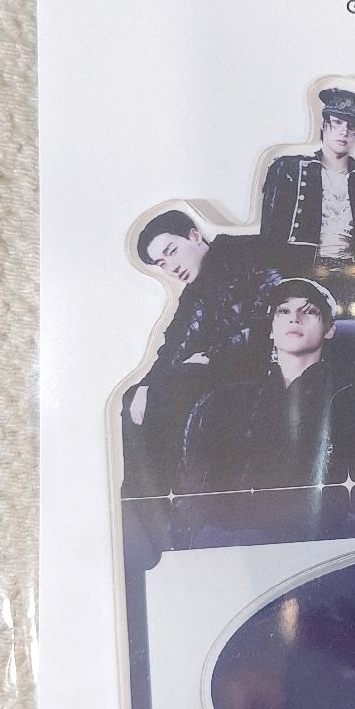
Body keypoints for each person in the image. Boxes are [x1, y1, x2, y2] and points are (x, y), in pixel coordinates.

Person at [180, 279, 355, 533]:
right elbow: (197, 495)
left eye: (308, 311)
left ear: (330, 329)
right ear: (271, 329)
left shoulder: (352, 402)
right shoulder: (225, 402)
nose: (294, 318)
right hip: (237, 543)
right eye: (284, 311)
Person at [122, 209, 280, 496]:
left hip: (263, 372)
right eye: (162, 263)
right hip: (224, 373)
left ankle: (165, 499)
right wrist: (147, 385)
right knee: (134, 397)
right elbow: (173, 345)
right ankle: (150, 503)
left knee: (174, 388)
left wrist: (208, 359)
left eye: (172, 251)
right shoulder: (195, 291)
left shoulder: (247, 255)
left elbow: (265, 326)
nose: (172, 267)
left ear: (195, 236)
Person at [258, 87, 355, 318]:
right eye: (337, 122)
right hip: (302, 271)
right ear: (323, 124)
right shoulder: (289, 170)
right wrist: (275, 283)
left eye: (351, 126)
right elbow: (270, 234)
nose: (343, 132)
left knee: (348, 332)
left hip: (354, 276)